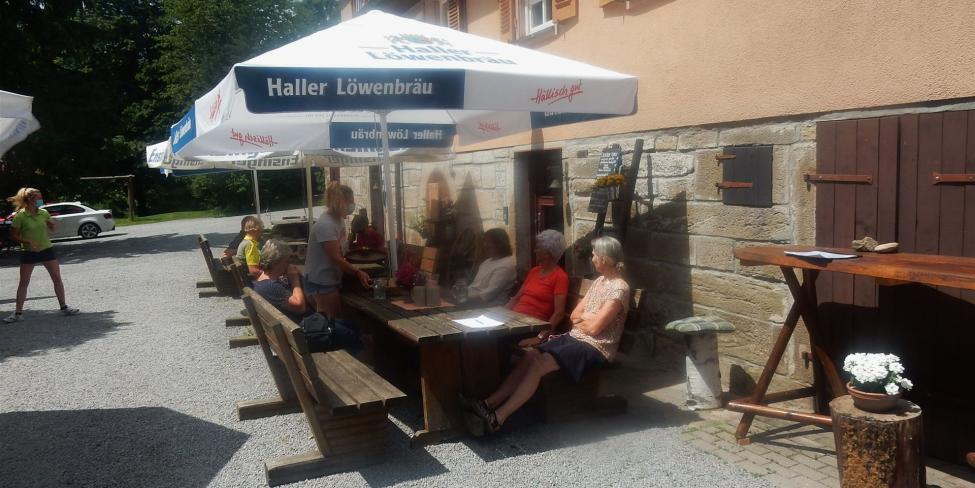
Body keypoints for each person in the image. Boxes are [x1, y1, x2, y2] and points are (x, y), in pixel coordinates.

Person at [461, 236, 631, 433]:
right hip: (575, 337)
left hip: (596, 346)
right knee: (531, 355)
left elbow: (594, 330)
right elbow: (574, 315)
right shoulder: (599, 282)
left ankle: (498, 417)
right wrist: (587, 319)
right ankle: (488, 403)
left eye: (594, 255)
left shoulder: (619, 288)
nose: (592, 259)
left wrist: (585, 320)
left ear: (604, 258)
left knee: (539, 364)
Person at [254, 239, 361, 353]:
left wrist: (299, 279)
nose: (289, 265)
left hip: (301, 329)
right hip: (305, 333)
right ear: (276, 262)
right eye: (286, 261)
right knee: (352, 335)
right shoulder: (270, 286)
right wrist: (294, 279)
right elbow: (300, 307)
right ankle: (358, 361)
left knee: (352, 325)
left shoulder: (264, 281)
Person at [3, 187, 80, 323]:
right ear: (30, 199)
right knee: (24, 282)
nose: (41, 199)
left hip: (46, 249)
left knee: (57, 278)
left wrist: (53, 225)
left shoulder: (43, 213)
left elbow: (51, 227)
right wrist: (27, 242)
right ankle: (18, 313)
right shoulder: (20, 216)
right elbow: (13, 235)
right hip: (29, 252)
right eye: (39, 197)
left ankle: (64, 307)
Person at [304, 181, 371, 318]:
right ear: (340, 202)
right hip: (321, 282)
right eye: (350, 201)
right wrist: (357, 271)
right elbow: (335, 257)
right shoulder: (325, 225)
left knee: (338, 317)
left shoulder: (339, 221)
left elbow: (341, 250)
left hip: (331, 279)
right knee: (330, 321)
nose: (353, 205)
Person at [506, 229, 569, 345]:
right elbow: (516, 298)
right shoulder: (534, 271)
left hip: (532, 326)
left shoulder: (560, 277)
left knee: (491, 340)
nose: (535, 251)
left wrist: (539, 337)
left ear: (548, 253)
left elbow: (559, 314)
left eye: (538, 248)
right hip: (514, 320)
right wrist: (500, 315)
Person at [463, 228, 516, 306]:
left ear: (500, 244)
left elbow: (488, 294)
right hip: (472, 302)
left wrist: (464, 299)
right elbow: (475, 286)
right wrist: (460, 293)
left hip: (489, 307)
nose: (485, 245)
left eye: (489, 242)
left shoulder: (506, 265)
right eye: (485, 241)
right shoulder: (487, 262)